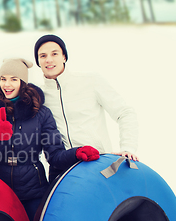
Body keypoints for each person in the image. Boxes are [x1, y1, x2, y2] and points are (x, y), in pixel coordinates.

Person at [0, 58, 99, 221]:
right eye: (3, 79)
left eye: (13, 79)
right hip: (0, 185)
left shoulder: (40, 113)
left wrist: (76, 153)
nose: (7, 85)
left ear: (23, 82)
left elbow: (55, 155)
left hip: (33, 189)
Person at [34, 34, 139, 179]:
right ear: (38, 62)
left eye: (54, 53)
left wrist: (128, 147)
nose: (49, 60)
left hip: (99, 164)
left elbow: (125, 112)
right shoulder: (38, 97)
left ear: (64, 57)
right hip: (63, 172)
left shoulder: (90, 81)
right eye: (43, 56)